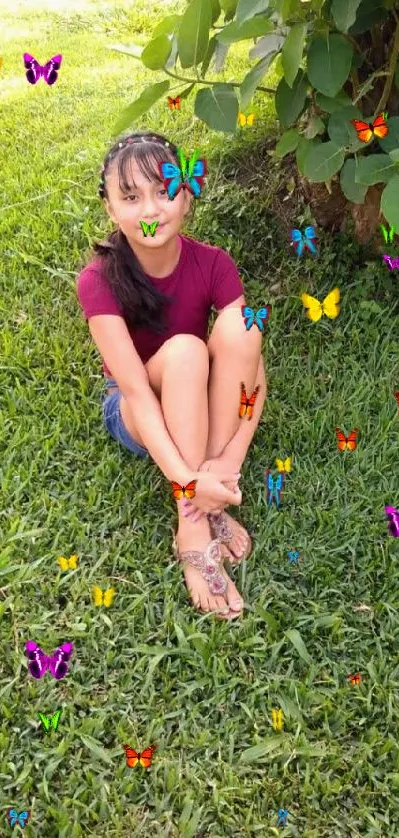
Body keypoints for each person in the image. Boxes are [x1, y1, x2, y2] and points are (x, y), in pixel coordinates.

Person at [76, 131, 267, 621]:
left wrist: (230, 459)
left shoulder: (215, 263)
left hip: (195, 391)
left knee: (245, 334)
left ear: (186, 195)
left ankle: (213, 480)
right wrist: (184, 483)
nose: (151, 209)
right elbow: (137, 392)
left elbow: (252, 370)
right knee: (183, 351)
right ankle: (193, 521)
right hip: (133, 406)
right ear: (111, 209)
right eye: (131, 196)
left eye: (164, 190)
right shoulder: (98, 279)